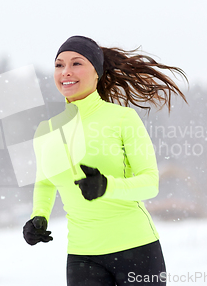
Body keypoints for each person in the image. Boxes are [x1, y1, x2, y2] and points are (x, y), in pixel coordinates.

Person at [23, 35, 188, 286]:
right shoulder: (46, 131)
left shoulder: (123, 119)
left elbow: (149, 183)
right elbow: (45, 182)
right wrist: (39, 216)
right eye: (59, 65)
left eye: (76, 63)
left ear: (97, 72)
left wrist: (107, 186)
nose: (66, 71)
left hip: (136, 250)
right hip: (82, 256)